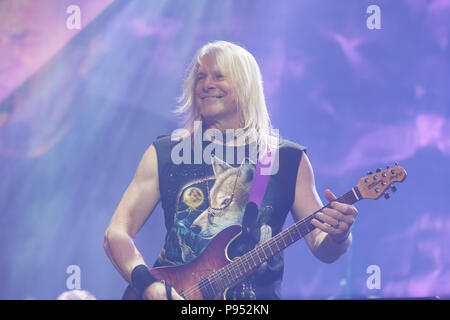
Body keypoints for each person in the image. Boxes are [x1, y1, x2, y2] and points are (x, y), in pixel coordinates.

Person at [104, 40, 358, 300]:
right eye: (200, 77)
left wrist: (340, 236)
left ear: (246, 86)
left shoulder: (287, 158)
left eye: (219, 76)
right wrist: (149, 285)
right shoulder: (167, 153)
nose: (206, 85)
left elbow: (321, 246)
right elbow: (116, 233)